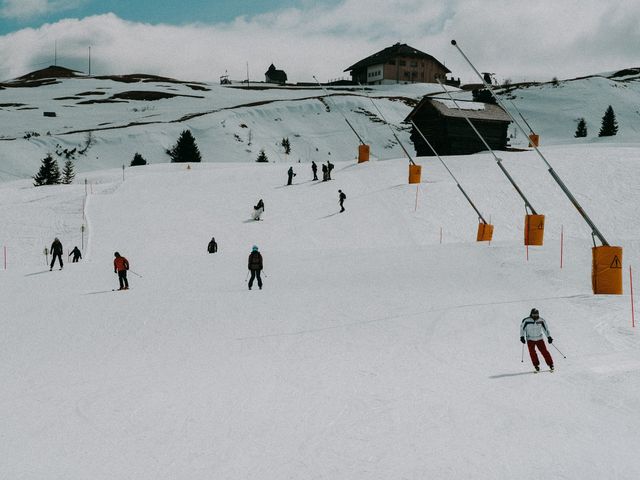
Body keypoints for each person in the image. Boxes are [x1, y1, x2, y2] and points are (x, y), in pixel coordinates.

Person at [520, 308, 554, 372]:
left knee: (544, 351)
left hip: (539, 339)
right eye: (534, 314)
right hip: (530, 339)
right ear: (531, 314)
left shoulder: (541, 320)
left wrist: (549, 337)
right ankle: (536, 365)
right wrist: (522, 337)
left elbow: (545, 329)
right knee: (532, 353)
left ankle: (550, 364)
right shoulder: (526, 320)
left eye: (536, 314)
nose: (535, 316)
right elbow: (522, 329)